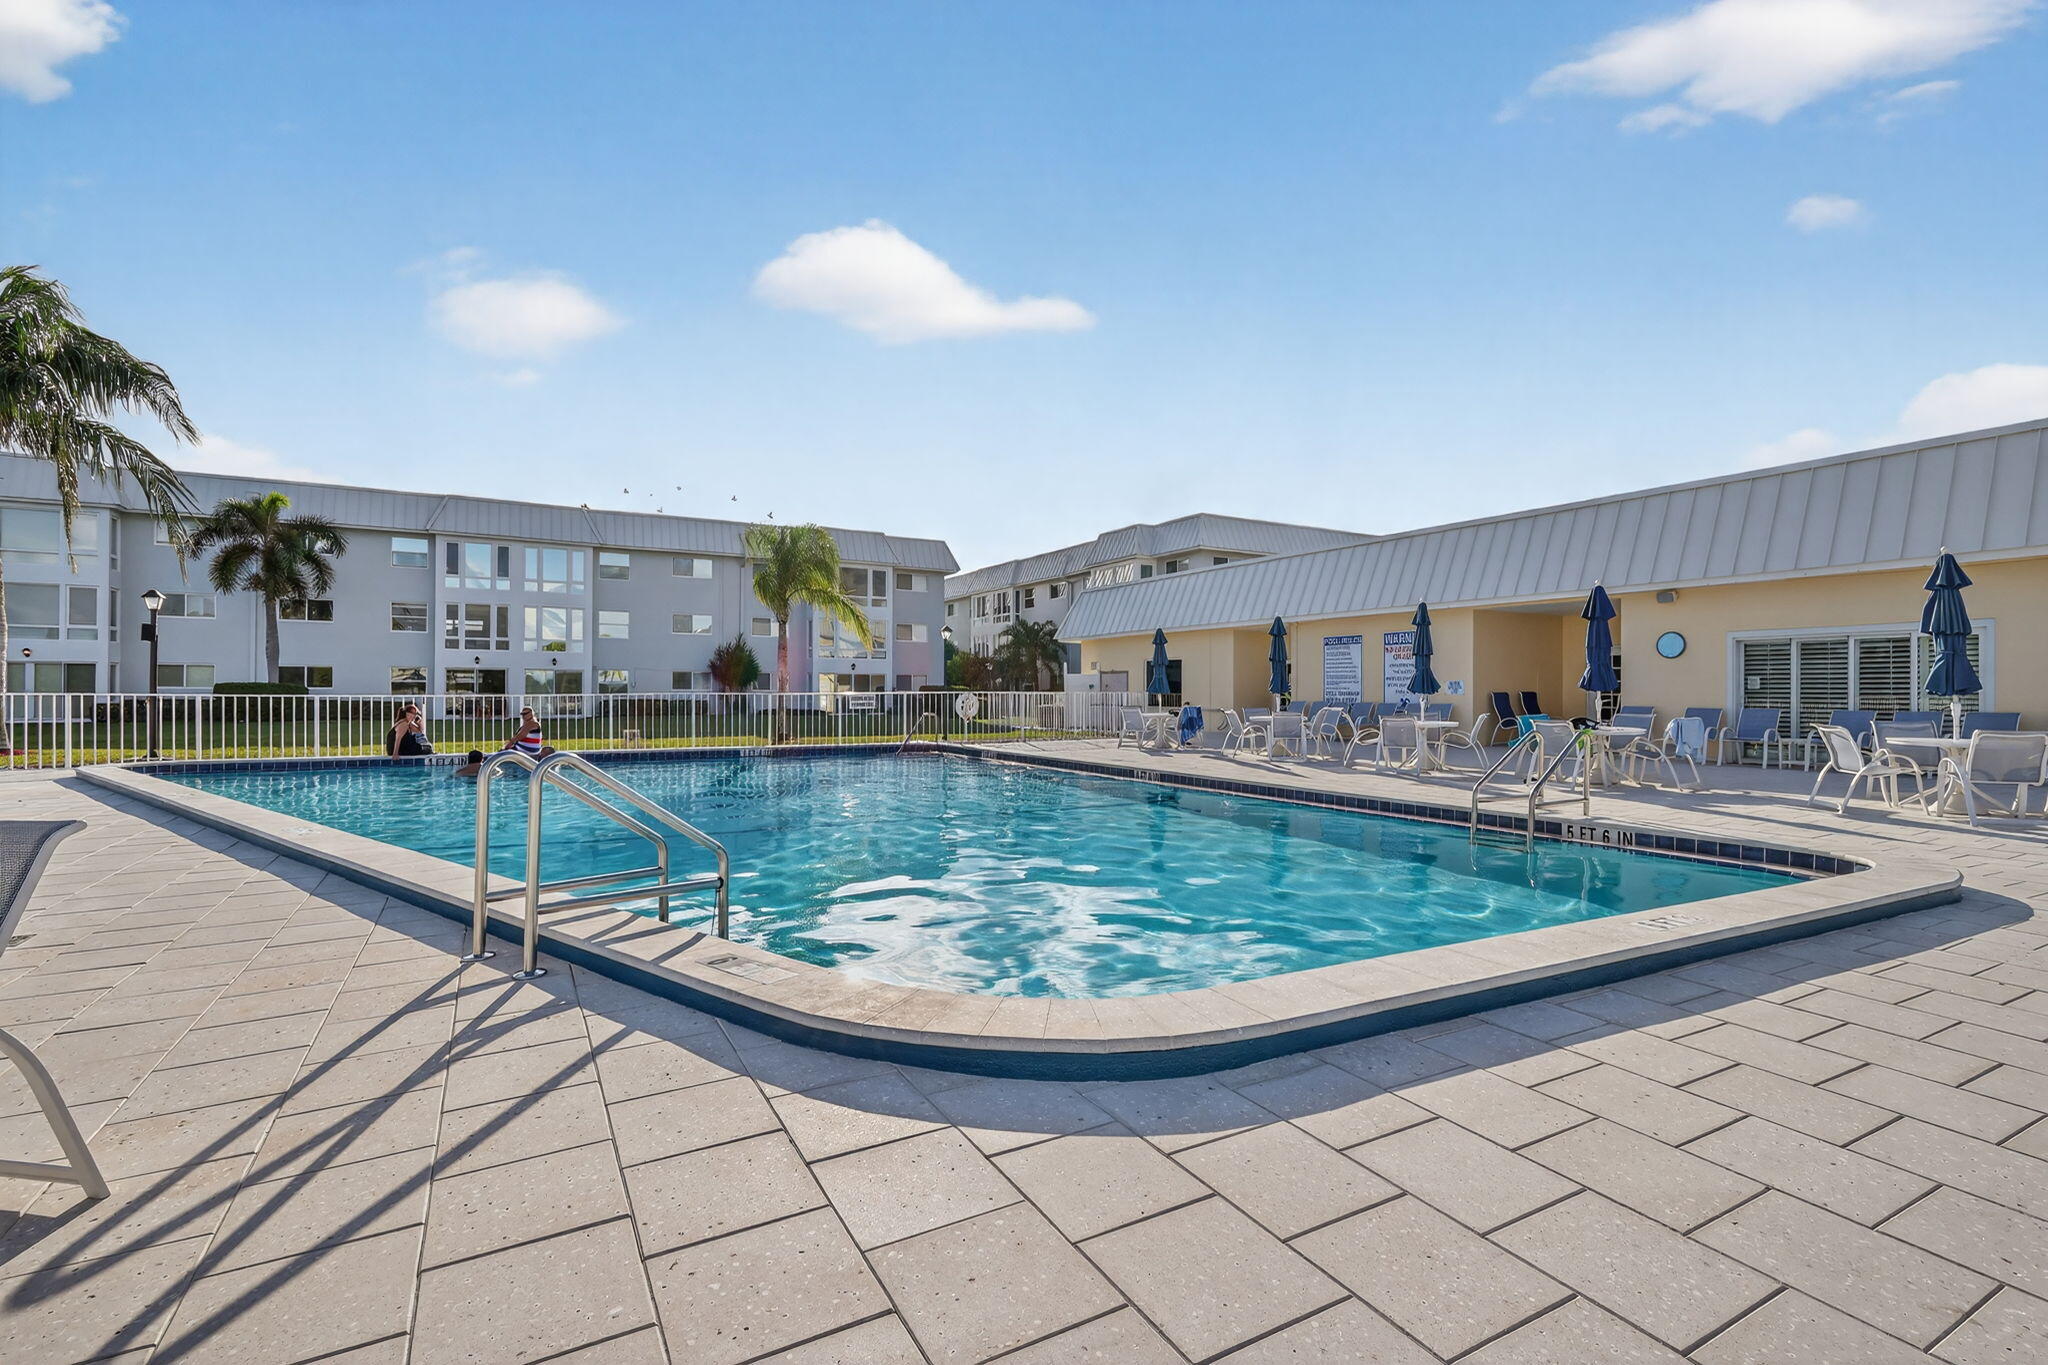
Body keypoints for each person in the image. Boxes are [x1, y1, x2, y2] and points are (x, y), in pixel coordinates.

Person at [453, 706, 555, 778]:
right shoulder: (530, 724)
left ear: (531, 714)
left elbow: (517, 738)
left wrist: (506, 747)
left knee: (491, 758)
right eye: (522, 714)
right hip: (523, 750)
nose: (523, 716)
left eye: (525, 714)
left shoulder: (532, 724)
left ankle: (473, 770)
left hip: (523, 752)